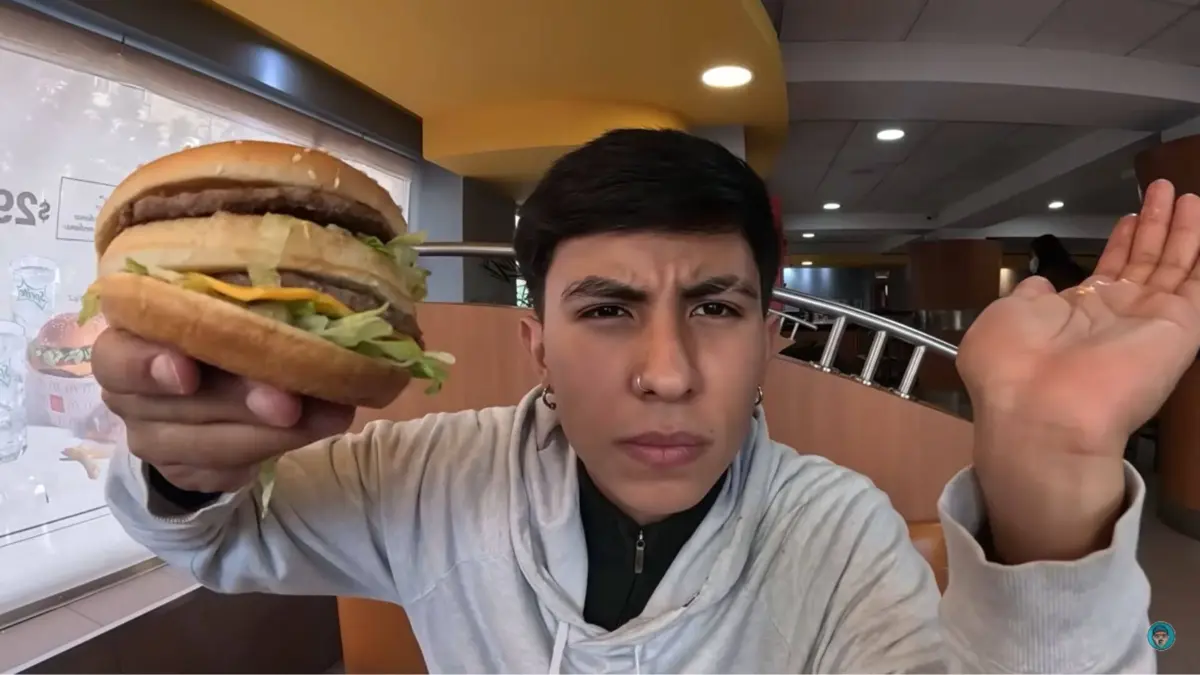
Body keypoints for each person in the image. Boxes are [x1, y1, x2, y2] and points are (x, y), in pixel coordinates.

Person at [97, 128, 1196, 672]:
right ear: (536, 341)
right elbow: (223, 536)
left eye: (715, 308)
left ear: (769, 338)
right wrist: (185, 465)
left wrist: (1050, 471)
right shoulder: (427, 473)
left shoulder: (839, 535)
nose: (667, 372)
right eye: (608, 309)